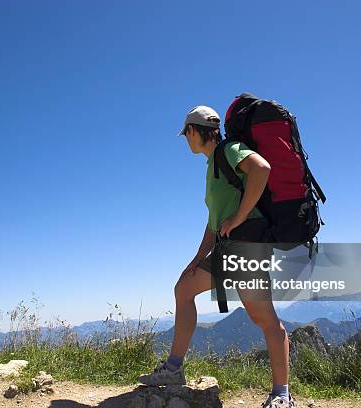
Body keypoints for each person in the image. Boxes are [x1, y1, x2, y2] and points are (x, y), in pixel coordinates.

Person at [138, 106, 295, 408]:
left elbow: (261, 169)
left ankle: (281, 394)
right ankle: (173, 370)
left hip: (246, 245)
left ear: (195, 131)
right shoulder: (213, 167)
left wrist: (239, 216)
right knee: (184, 289)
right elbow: (214, 222)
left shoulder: (230, 149)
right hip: (226, 248)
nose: (186, 140)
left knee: (264, 319)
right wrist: (196, 258)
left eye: (186, 134)